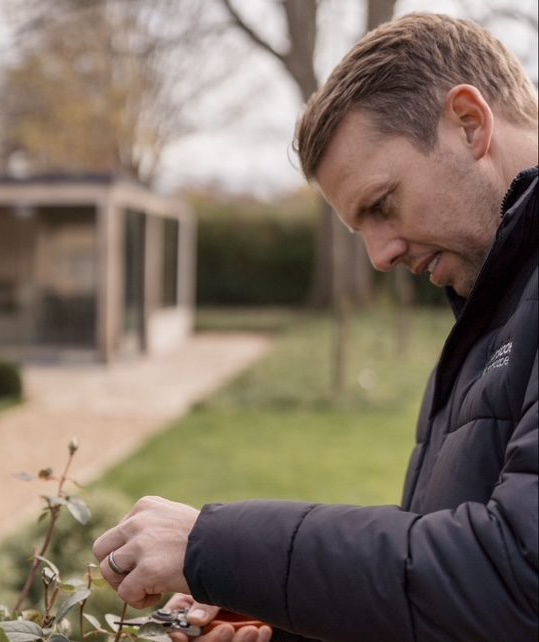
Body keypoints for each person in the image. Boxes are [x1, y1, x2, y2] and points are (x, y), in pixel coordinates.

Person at [93, 12, 538, 642]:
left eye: (382, 204)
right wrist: (279, 617)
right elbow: (445, 601)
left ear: (469, 123)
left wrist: (213, 546)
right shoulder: (485, 324)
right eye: (362, 228)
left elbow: (517, 576)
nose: (381, 255)